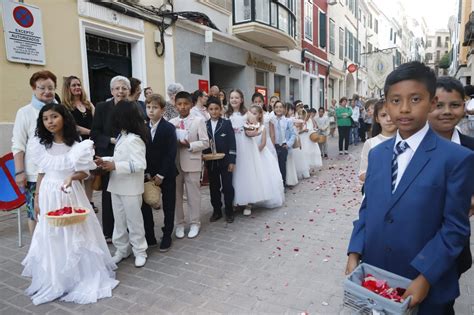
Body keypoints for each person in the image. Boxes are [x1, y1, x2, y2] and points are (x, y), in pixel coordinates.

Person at [346, 61, 474, 314]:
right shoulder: (378, 154)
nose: (404, 109)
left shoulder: (455, 158)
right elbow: (368, 208)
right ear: (386, 103)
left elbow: (455, 228)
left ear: (432, 102)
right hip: (377, 275)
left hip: (426, 282)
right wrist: (354, 251)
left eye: (415, 99)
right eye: (395, 100)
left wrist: (425, 277)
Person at [22, 103, 118, 305]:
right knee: (53, 234)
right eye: (46, 118)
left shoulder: (77, 145)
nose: (50, 122)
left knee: (76, 232)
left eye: (54, 117)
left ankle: (78, 276)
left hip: (70, 193)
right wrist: (37, 197)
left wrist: (72, 178)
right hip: (48, 192)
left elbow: (85, 172)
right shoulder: (40, 145)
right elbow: (41, 172)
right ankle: (57, 279)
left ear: (64, 118)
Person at [428, 76, 474, 282]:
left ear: (464, 107)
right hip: (418, 238)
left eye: (454, 105)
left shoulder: (470, 147)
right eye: (439, 105)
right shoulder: (410, 145)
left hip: (455, 242)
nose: (446, 111)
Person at [95, 100, 148, 268]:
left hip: (131, 188)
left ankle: (140, 251)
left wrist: (115, 165)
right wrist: (104, 160)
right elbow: (119, 159)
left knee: (134, 222)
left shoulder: (135, 139)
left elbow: (140, 164)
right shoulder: (122, 136)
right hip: (116, 185)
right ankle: (122, 249)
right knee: (119, 221)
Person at [12, 70, 57, 235]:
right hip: (33, 173)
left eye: (50, 87)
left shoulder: (61, 111)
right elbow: (18, 144)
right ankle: (37, 253)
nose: (47, 91)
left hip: (57, 171)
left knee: (57, 211)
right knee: (35, 212)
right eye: (42, 88)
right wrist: (19, 172)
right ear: (33, 88)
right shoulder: (24, 112)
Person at [91, 75, 131, 243]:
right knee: (109, 194)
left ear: (128, 91)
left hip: (126, 158)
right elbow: (95, 133)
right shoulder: (101, 107)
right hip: (108, 155)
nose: (120, 91)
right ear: (111, 91)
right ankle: (109, 231)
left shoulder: (133, 108)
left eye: (124, 88)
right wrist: (110, 140)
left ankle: (127, 229)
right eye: (117, 88)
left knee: (126, 194)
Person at [170, 91, 209, 238]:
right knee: (176, 195)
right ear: (175, 105)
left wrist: (190, 145)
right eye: (179, 104)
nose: (182, 107)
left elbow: (205, 142)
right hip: (175, 163)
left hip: (192, 161)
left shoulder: (198, 121)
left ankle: (195, 223)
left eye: (185, 104)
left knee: (193, 195)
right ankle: (179, 223)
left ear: (191, 104)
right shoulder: (171, 123)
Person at [142, 94, 177, 252]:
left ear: (162, 111)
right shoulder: (143, 128)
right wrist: (148, 173)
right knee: (146, 204)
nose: (151, 110)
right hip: (148, 174)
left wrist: (161, 175)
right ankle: (149, 236)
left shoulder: (169, 128)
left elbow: (171, 153)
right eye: (148, 107)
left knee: (169, 205)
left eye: (155, 107)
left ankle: (167, 234)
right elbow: (142, 152)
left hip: (167, 174)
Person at [226, 89, 269, 216]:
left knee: (247, 172)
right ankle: (236, 200)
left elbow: (259, 126)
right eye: (232, 97)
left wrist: (253, 132)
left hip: (246, 145)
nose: (234, 100)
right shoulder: (226, 114)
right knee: (235, 173)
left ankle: (249, 202)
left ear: (242, 99)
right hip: (232, 147)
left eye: (236, 97)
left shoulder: (247, 114)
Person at [62, 75, 98, 213]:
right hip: (75, 142)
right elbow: (72, 126)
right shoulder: (65, 107)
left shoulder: (88, 104)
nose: (77, 87)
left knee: (91, 174)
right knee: (79, 173)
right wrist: (91, 132)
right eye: (73, 85)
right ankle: (79, 202)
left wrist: (94, 136)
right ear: (68, 88)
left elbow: (96, 120)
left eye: (78, 85)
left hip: (89, 143)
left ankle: (89, 201)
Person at [204, 97, 236, 223]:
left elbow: (232, 143)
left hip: (225, 161)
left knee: (227, 186)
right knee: (214, 187)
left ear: (220, 109)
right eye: (211, 109)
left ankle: (229, 210)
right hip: (211, 162)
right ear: (207, 110)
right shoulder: (204, 124)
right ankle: (216, 210)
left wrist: (232, 161)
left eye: (216, 109)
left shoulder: (226, 123)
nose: (214, 111)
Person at [250, 105, 284, 208]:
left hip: (261, 153)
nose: (253, 116)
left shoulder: (262, 127)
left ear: (260, 115)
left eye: (255, 114)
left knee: (264, 176)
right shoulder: (247, 126)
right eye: (251, 114)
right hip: (251, 155)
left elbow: (263, 143)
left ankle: (265, 196)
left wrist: (256, 152)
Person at [358, 100, 397, 182]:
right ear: (377, 119)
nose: (389, 119)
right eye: (383, 115)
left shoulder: (406, 142)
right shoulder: (370, 143)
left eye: (392, 114)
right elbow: (362, 173)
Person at [270, 100, 296, 187]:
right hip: (274, 146)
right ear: (274, 109)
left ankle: (282, 185)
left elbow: (293, 134)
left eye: (281, 107)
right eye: (276, 107)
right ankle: (275, 185)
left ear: (284, 109)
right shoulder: (271, 120)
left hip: (283, 146)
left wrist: (288, 144)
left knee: (282, 166)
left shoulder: (288, 121)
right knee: (274, 167)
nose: (278, 109)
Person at [252, 92, 277, 157]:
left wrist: (273, 145)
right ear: (252, 103)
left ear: (263, 102)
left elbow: (272, 133)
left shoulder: (268, 115)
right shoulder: (250, 115)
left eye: (260, 101)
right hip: (255, 141)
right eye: (255, 102)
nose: (258, 103)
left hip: (267, 142)